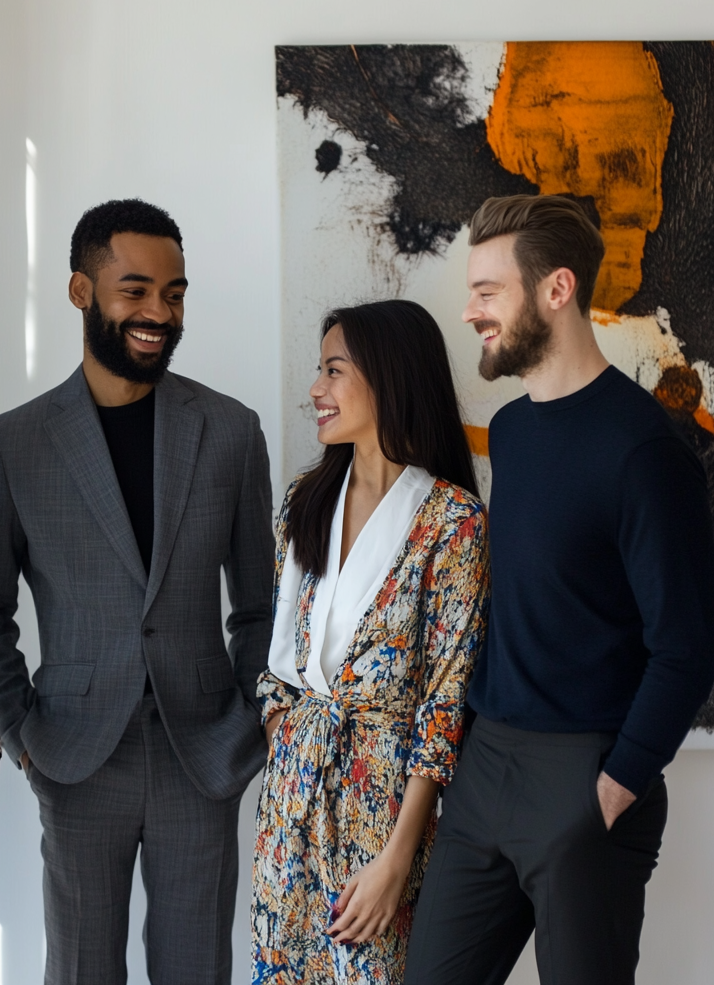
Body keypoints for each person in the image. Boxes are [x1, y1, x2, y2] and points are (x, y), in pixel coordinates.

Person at [404, 194, 714, 985]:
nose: (470, 310)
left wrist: (613, 789)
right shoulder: (510, 432)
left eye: (488, 291)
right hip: (487, 768)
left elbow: (686, 645)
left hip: (585, 776)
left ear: (557, 290)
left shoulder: (646, 452)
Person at [0, 198, 274, 985]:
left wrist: (245, 723)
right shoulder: (14, 442)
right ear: (81, 292)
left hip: (200, 752)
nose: (159, 313)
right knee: (79, 971)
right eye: (135, 290)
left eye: (174, 294)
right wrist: (21, 736)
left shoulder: (231, 431)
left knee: (196, 969)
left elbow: (260, 606)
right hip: (73, 753)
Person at [252, 300, 489, 983]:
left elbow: (445, 707)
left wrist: (397, 859)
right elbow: (279, 667)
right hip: (290, 805)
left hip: (381, 814)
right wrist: (287, 743)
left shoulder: (453, 522)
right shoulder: (304, 501)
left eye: (333, 371)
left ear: (388, 377)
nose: (315, 391)